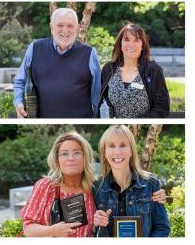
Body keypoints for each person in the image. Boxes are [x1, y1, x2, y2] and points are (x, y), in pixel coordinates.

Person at [20, 131, 166, 237]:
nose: (71, 158)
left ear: (85, 156)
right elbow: (28, 228)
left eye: (77, 152)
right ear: (57, 159)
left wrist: (159, 195)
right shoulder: (46, 186)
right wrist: (53, 231)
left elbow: (98, 230)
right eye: (64, 153)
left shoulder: (93, 187)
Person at [12, 8, 101, 118]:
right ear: (52, 27)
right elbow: (20, 80)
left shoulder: (89, 54)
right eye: (60, 25)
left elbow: (98, 94)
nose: (65, 30)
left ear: (77, 28)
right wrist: (18, 102)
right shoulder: (34, 48)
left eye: (70, 26)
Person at [93, 125, 170, 237]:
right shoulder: (96, 187)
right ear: (104, 153)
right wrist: (96, 226)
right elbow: (90, 232)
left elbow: (162, 228)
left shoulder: (151, 184)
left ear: (131, 151)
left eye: (123, 145)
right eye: (111, 146)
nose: (117, 151)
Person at [97, 23, 170, 118]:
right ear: (120, 44)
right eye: (126, 39)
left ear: (142, 45)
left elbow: (162, 109)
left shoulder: (153, 71)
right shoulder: (108, 69)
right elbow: (102, 102)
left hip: (139, 127)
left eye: (136, 40)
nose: (131, 44)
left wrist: (135, 124)